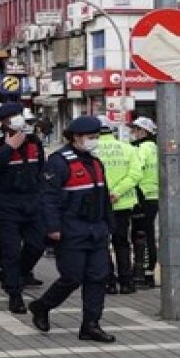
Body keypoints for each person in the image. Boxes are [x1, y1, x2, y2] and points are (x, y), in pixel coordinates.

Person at [27, 115, 115, 343]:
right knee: (72, 277)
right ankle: (42, 306)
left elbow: (103, 197)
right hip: (71, 229)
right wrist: (53, 227)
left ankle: (91, 325)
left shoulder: (95, 162)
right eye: (91, 137)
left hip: (96, 229)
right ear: (76, 137)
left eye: (96, 136)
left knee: (98, 277)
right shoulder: (59, 162)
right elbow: (48, 198)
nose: (95, 140)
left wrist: (109, 225)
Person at [0, 103, 46, 314]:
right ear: (3, 121)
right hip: (4, 205)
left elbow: (41, 169)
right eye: (12, 116)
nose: (17, 119)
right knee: (10, 251)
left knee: (37, 245)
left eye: (19, 114)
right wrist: (9, 148)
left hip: (31, 203)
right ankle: (15, 294)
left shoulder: (32, 140)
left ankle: (15, 275)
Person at [95, 117, 142, 295]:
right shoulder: (128, 148)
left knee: (102, 244)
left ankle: (109, 282)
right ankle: (126, 282)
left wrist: (106, 194)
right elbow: (135, 175)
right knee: (122, 243)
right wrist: (117, 192)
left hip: (99, 204)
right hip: (122, 204)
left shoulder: (91, 150)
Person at [129, 117, 160, 289]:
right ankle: (148, 274)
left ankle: (141, 273)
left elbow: (136, 171)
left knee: (140, 236)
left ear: (143, 131)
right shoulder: (155, 147)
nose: (132, 133)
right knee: (148, 235)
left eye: (134, 130)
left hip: (143, 197)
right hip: (153, 197)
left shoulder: (142, 149)